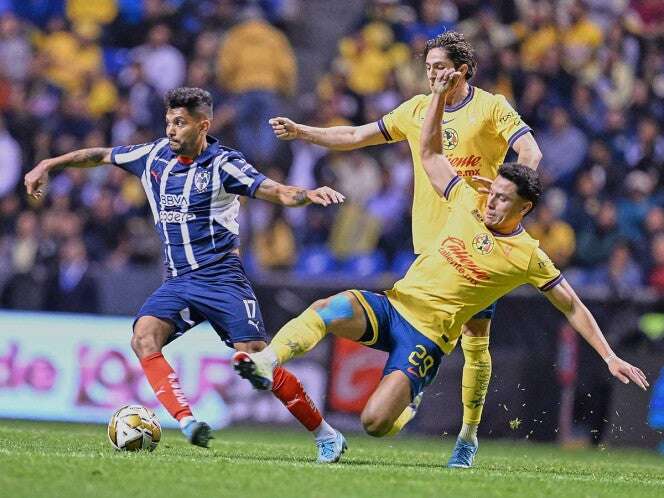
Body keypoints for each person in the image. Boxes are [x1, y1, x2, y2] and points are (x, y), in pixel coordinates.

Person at [234, 70, 648, 469]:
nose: (491, 201)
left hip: (427, 336)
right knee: (329, 307)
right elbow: (429, 152)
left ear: (524, 209)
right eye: (493, 192)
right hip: (395, 306)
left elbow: (572, 305)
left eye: (503, 199)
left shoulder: (527, 255)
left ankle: (461, 433)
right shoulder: (467, 198)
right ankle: (268, 361)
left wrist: (609, 356)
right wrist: (435, 95)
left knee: (376, 422)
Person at [24, 87, 348, 463]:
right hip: (178, 282)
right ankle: (188, 421)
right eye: (168, 122)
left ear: (203, 125)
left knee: (259, 360)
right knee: (143, 336)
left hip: (223, 278)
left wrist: (307, 194)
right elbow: (100, 155)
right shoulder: (152, 156)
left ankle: (327, 435)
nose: (171, 130)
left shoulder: (224, 163)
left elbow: (274, 191)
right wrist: (48, 163)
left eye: (180, 123)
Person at [268, 31, 543, 467]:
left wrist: (513, 190)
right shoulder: (416, 110)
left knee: (476, 341)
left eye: (440, 67)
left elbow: (530, 150)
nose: (432, 74)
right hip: (429, 247)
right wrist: (304, 132)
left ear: (462, 70)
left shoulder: (492, 107)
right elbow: (357, 134)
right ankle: (409, 389)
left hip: (475, 245)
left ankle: (468, 437)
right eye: (428, 67)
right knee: (412, 328)